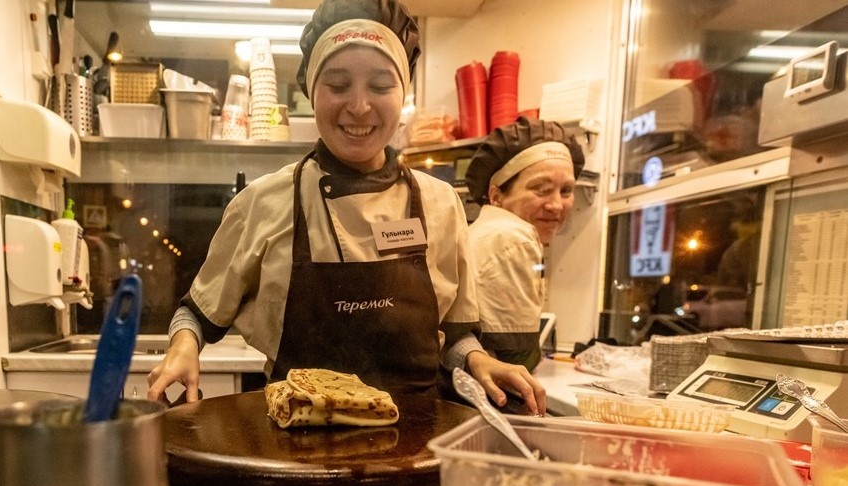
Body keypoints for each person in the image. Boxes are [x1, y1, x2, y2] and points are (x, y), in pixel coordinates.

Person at [147, 0, 546, 414]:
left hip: (416, 438)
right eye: (338, 85)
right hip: (295, 437)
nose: (359, 106)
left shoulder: (440, 203)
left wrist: (478, 360)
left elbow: (456, 336)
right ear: (311, 91)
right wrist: (182, 349)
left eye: (380, 86)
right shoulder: (262, 203)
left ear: (403, 94)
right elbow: (195, 315)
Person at [464, 117, 585, 370]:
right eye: (541, 189)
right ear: (496, 195)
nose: (556, 205)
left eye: (566, 191)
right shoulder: (513, 237)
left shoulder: (485, 230)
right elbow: (516, 360)